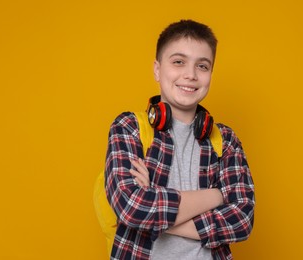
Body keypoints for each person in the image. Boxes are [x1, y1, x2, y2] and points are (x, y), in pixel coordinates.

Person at [105, 19, 255, 259]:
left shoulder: (225, 140)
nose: (190, 75)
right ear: (157, 69)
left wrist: (154, 200)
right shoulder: (129, 127)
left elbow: (242, 219)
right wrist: (216, 196)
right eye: (178, 62)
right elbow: (132, 207)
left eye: (202, 66)